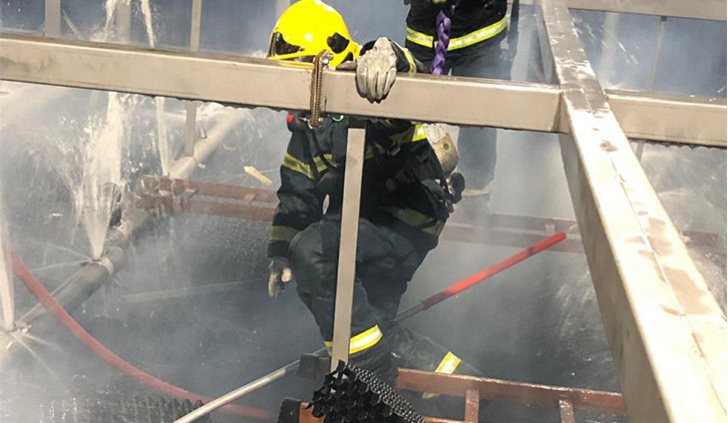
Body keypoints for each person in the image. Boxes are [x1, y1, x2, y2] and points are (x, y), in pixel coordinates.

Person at [265, 0, 479, 385]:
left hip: (407, 211)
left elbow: (410, 75)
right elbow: (298, 184)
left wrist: (390, 55)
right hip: (367, 212)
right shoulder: (309, 114)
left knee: (313, 254)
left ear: (325, 62)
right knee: (369, 320)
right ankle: (468, 387)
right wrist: (280, 251)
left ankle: (370, 377)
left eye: (299, 72)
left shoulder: (367, 85)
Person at [405, 0, 513, 215]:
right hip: (426, 31)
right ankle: (411, 192)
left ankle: (475, 195)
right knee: (412, 117)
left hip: (481, 31)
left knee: (478, 116)